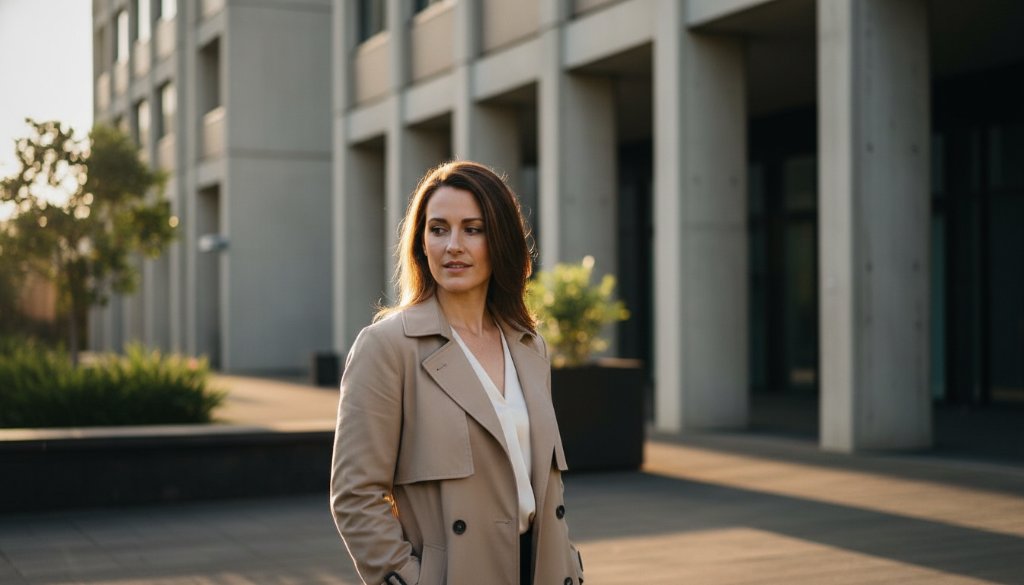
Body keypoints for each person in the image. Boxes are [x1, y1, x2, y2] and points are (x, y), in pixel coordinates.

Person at [330, 161, 585, 585]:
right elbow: (355, 497)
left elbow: (540, 483)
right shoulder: (388, 347)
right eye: (438, 229)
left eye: (473, 228)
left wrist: (570, 564)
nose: (453, 245)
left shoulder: (529, 346)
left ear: (499, 239)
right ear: (420, 244)